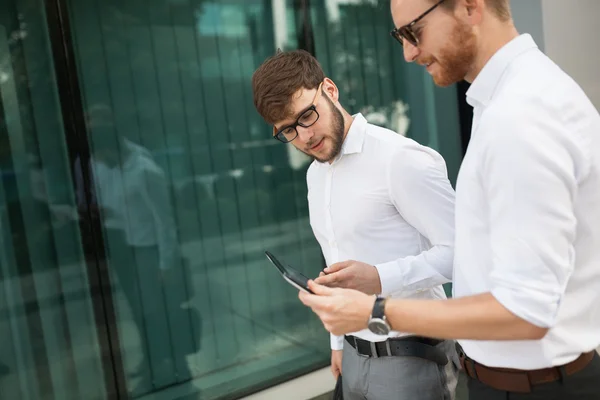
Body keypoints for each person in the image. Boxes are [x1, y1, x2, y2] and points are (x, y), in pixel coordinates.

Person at [299, 0, 600, 399]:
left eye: (413, 32)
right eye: (400, 36)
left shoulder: (519, 117)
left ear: (470, 7)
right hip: (515, 378)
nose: (407, 53)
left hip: (535, 386)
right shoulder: (508, 98)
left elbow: (528, 311)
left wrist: (374, 312)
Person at [252, 50, 459, 400]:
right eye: (287, 130)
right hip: (351, 354)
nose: (303, 137)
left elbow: (464, 253)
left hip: (411, 355)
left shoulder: (400, 159)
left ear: (330, 90)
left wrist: (379, 278)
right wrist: (337, 342)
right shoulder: (315, 176)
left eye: (307, 116)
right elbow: (335, 261)